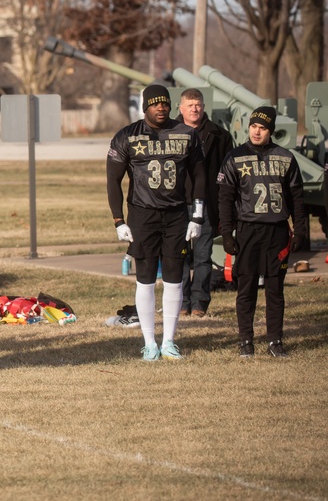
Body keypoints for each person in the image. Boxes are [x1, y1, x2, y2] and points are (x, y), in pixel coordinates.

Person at [107, 84, 206, 361]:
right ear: (144, 106)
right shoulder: (127, 136)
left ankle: (170, 341)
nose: (160, 108)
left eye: (164, 103)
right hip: (142, 214)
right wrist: (118, 220)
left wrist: (197, 214)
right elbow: (113, 180)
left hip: (176, 214)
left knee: (176, 278)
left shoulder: (187, 134)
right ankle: (149, 342)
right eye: (154, 104)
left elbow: (200, 176)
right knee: (145, 279)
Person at [217, 106, 307, 359]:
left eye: (263, 128)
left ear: (271, 131)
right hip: (247, 231)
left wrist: (299, 230)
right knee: (246, 289)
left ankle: (275, 341)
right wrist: (227, 233)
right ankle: (246, 340)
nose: (257, 132)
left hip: (277, 232)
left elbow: (297, 198)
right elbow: (224, 199)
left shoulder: (286, 157)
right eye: (254, 126)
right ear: (248, 128)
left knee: (275, 290)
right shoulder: (234, 157)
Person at [175, 88, 234, 316]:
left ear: (204, 106)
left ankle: (199, 303)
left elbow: (228, 175)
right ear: (181, 108)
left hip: (206, 204)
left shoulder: (219, 135)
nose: (194, 109)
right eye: (189, 105)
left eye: (198, 104)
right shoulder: (170, 133)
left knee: (202, 256)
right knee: (179, 256)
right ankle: (181, 302)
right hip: (176, 204)